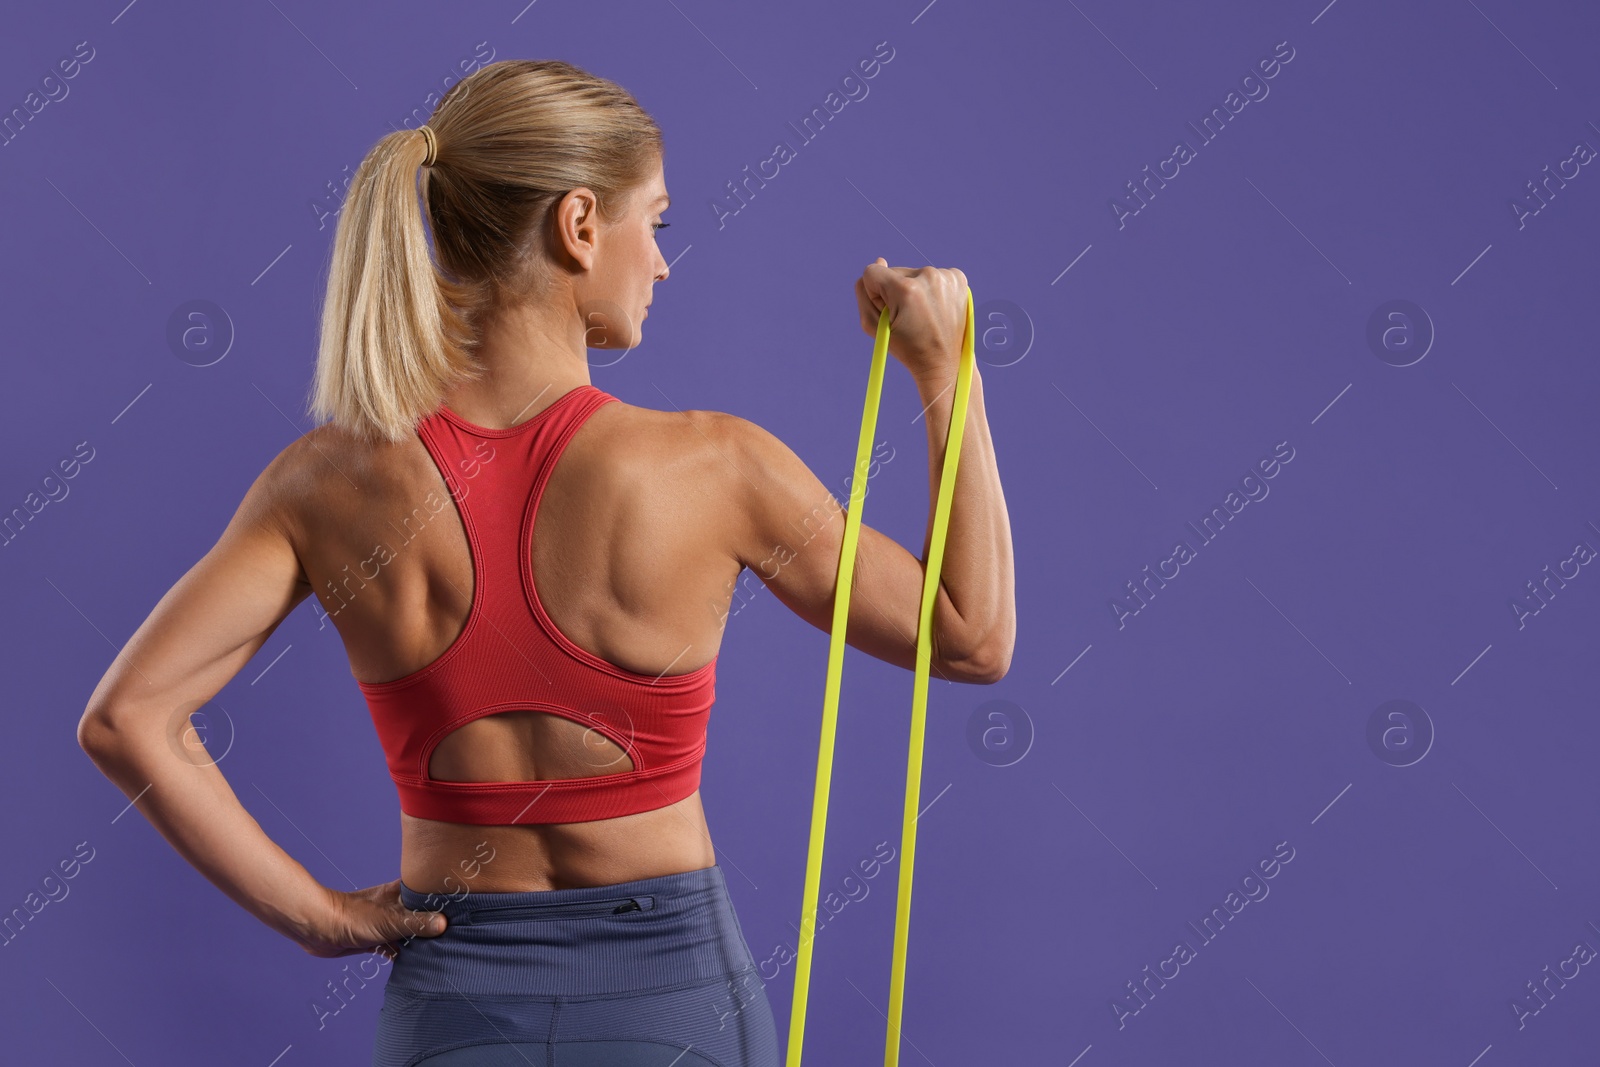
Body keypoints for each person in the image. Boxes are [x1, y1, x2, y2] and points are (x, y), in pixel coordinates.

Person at [75, 58, 1014, 1067]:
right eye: (653, 221)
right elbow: (968, 636)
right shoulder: (712, 464)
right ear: (577, 225)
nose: (660, 261)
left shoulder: (325, 481)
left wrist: (315, 915)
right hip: (672, 999)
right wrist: (945, 367)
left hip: (453, 1005)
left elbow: (127, 719)